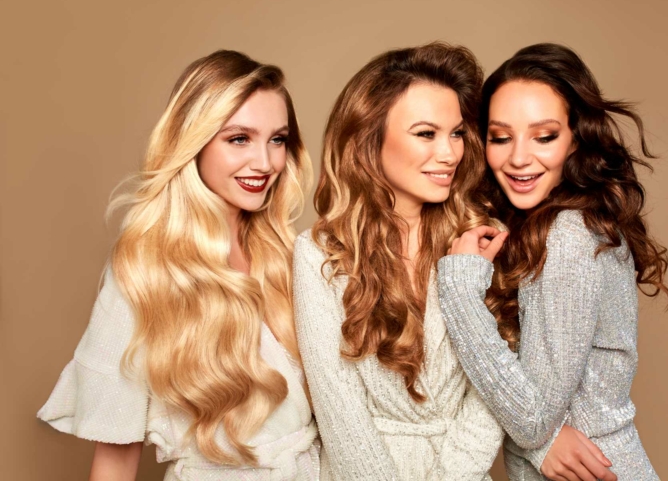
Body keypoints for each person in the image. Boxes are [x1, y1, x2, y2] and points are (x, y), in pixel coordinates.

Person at [38, 50, 319, 481]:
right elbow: (115, 460)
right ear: (193, 142)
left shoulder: (290, 256)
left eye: (277, 139)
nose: (265, 163)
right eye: (239, 139)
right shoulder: (145, 270)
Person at [438, 43, 668, 481]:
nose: (519, 158)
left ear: (576, 137)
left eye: (544, 136)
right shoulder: (563, 224)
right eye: (501, 137)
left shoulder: (570, 234)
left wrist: (460, 289)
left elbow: (532, 420)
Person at [292, 42, 504, 480]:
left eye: (457, 133)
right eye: (426, 133)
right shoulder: (318, 253)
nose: (450, 153)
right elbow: (338, 412)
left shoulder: (483, 239)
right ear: (370, 138)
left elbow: (493, 391)